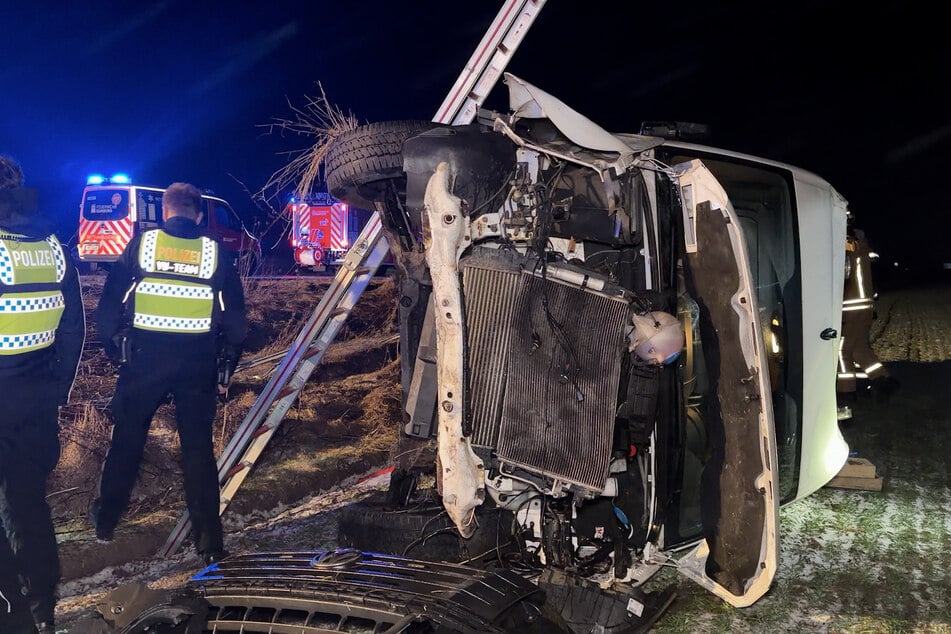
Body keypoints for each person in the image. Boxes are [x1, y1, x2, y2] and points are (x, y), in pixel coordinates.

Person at [90, 182, 247, 565]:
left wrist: (116, 349)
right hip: (197, 362)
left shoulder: (142, 245)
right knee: (197, 450)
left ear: (165, 212)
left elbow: (109, 306)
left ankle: (106, 521)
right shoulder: (215, 253)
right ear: (198, 214)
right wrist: (227, 364)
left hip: (145, 358)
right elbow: (236, 319)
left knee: (127, 440)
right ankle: (209, 539)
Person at [0, 155, 85, 634]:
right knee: (29, 505)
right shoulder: (52, 246)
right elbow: (72, 328)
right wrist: (56, 391)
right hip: (36, 397)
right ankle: (42, 612)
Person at [837, 226, 898, 417]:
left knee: (842, 350)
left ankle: (845, 397)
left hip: (852, 304)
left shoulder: (849, 243)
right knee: (859, 349)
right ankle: (884, 382)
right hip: (862, 304)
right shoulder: (860, 246)